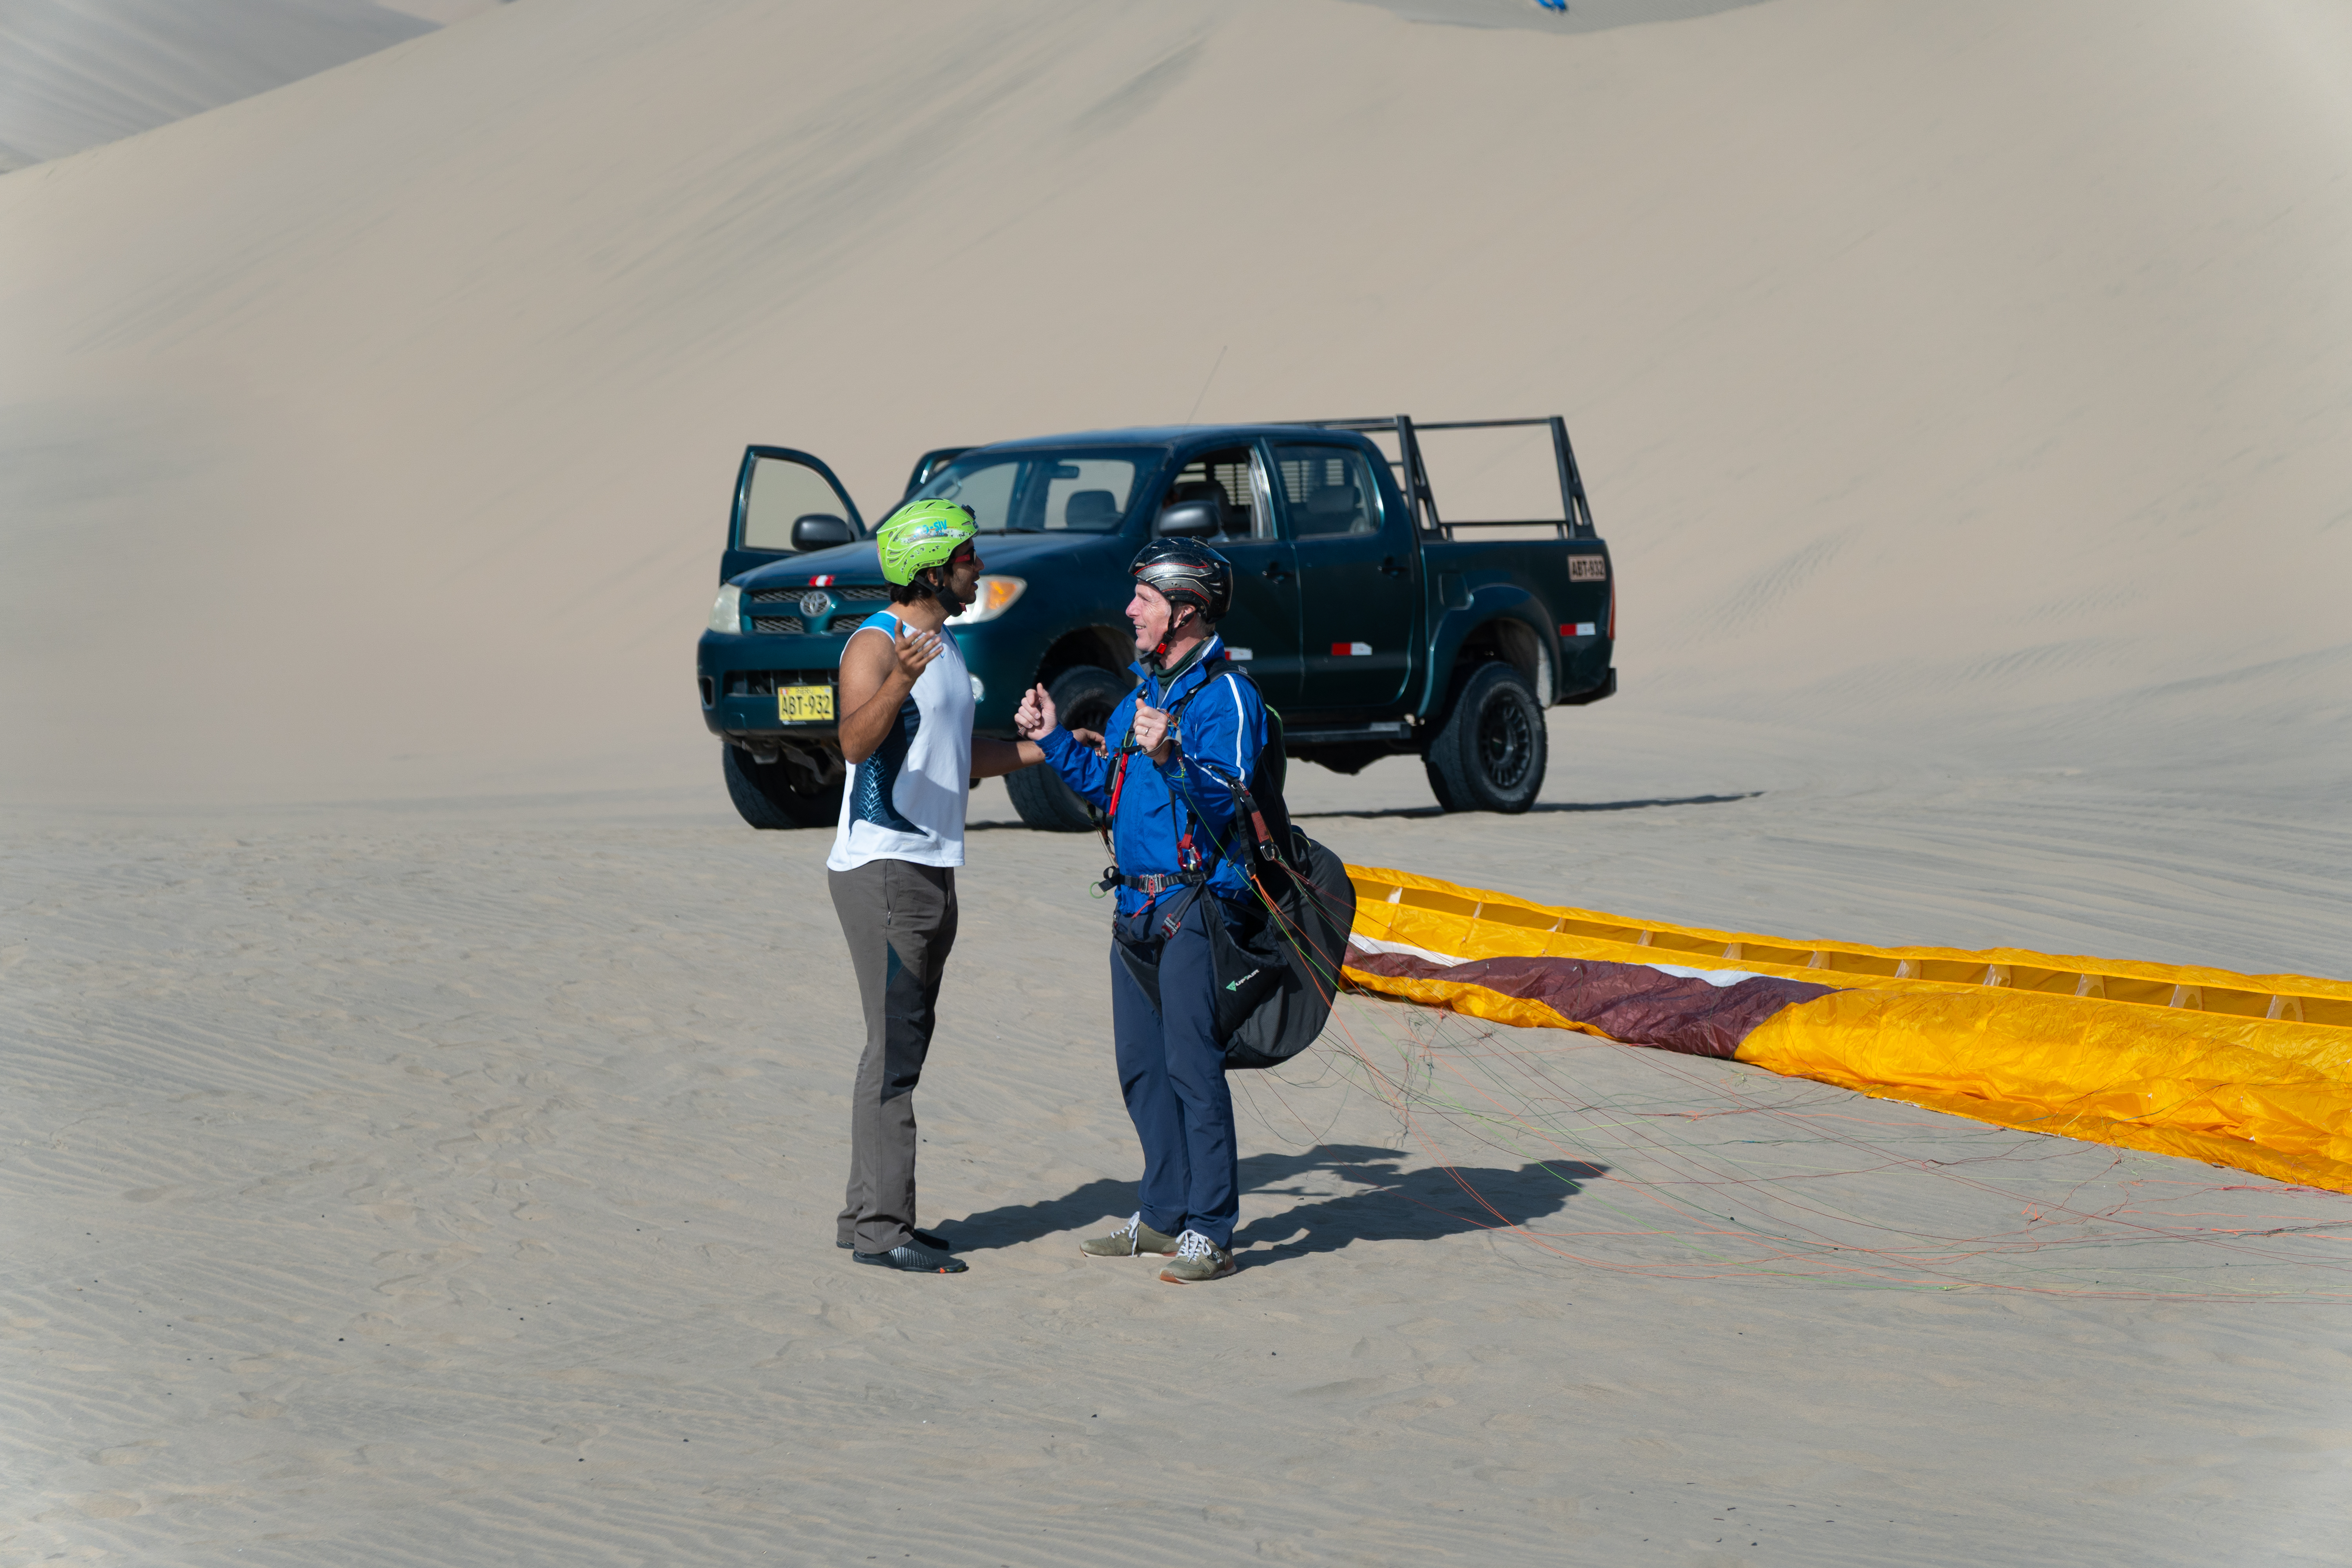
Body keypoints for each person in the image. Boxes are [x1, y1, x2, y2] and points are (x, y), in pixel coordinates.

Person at [1014, 539, 1265, 1284]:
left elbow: (1232, 797)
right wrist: (1052, 738)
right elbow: (1109, 789)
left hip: (1194, 907)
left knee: (1193, 1070)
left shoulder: (1228, 697)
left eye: (1145, 600)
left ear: (1186, 610)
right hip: (1133, 909)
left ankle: (1211, 1231)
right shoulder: (1138, 698)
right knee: (1142, 1070)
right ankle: (1161, 1216)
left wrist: (1173, 755)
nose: (1130, 611)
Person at [829, 499, 1046, 1274]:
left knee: (901, 1041)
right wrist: (900, 680)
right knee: (894, 1052)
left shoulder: (944, 645)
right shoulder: (876, 643)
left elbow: (958, 753)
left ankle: (863, 1213)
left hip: (931, 866)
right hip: (885, 869)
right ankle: (883, 1229)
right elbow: (854, 740)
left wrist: (1044, 749)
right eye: (966, 558)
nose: (977, 568)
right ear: (929, 570)